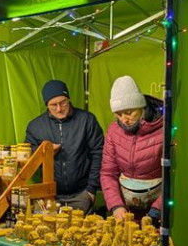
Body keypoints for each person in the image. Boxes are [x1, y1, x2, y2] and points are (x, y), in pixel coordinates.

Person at [25, 79, 104, 212]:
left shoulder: (87, 120)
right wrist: (44, 152)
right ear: (46, 105)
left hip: (81, 195)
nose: (59, 109)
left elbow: (99, 153)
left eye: (63, 102)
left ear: (68, 99)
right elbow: (29, 158)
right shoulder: (35, 126)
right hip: (50, 196)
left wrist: (91, 190)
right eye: (53, 105)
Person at [100, 75, 163, 223]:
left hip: (159, 212)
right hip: (126, 212)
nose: (124, 119)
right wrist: (116, 206)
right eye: (118, 114)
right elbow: (108, 173)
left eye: (129, 112)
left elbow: (175, 178)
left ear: (141, 106)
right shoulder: (114, 131)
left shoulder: (164, 130)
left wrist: (157, 211)